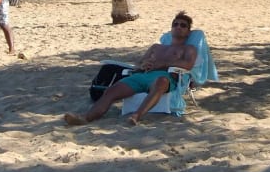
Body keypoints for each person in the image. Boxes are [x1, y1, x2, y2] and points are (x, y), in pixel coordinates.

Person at [64, 11, 198, 126]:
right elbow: (138, 64)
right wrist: (143, 65)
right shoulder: (156, 47)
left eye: (183, 25)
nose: (178, 27)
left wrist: (162, 64)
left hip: (165, 77)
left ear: (188, 32)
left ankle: (136, 116)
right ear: (171, 29)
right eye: (175, 24)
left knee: (161, 82)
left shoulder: (188, 49)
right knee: (112, 90)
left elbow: (188, 65)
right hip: (142, 75)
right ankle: (86, 118)